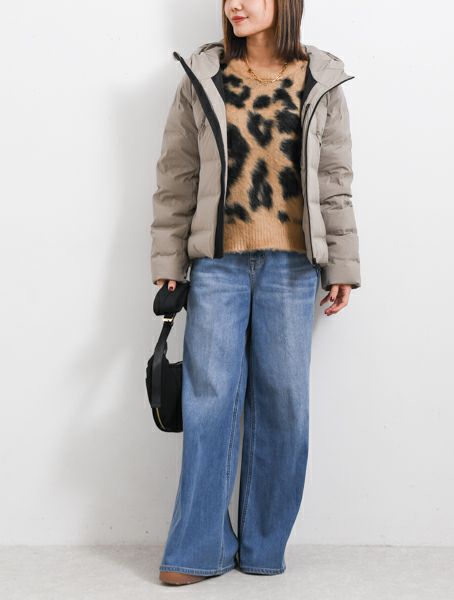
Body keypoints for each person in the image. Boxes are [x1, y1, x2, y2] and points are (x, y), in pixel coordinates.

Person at [150, 0, 361, 587]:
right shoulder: (203, 75)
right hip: (217, 265)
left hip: (293, 267)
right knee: (208, 402)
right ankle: (198, 551)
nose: (234, 5)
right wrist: (169, 262)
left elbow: (334, 182)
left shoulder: (321, 79)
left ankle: (265, 548)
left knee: (284, 405)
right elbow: (176, 176)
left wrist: (342, 264)